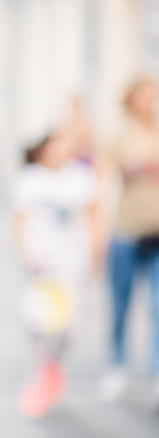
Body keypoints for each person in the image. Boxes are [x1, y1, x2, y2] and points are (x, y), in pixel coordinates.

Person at [11, 129, 100, 418]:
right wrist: (27, 254)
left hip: (70, 265)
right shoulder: (30, 179)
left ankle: (54, 367)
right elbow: (19, 220)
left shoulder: (81, 178)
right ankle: (37, 381)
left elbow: (92, 216)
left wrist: (96, 253)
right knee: (40, 324)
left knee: (68, 327)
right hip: (39, 267)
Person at [96, 75, 159, 409]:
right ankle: (116, 365)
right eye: (146, 95)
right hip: (126, 232)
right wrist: (98, 235)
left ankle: (155, 373)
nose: (152, 101)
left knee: (158, 308)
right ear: (132, 99)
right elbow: (103, 186)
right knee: (120, 306)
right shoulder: (120, 138)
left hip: (157, 232)